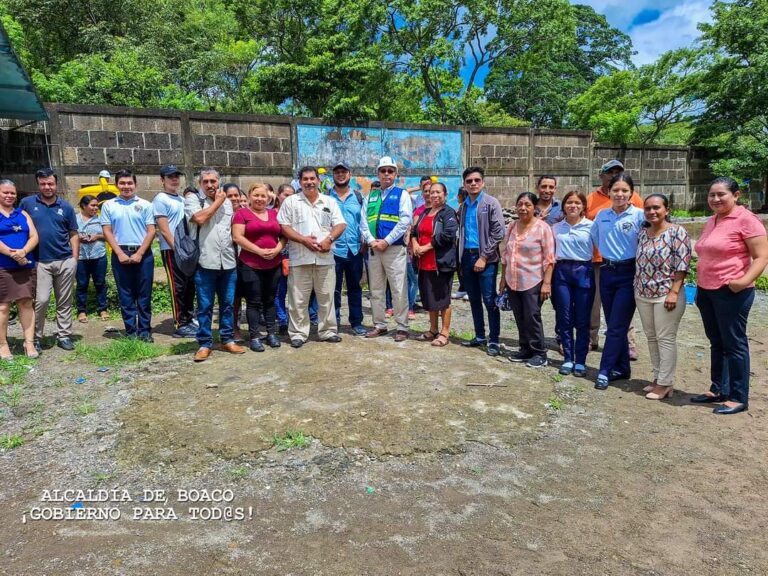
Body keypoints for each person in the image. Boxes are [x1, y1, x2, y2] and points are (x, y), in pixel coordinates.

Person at [691, 177, 768, 415]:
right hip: (707, 290)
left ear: (736, 196)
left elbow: (761, 257)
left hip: (732, 291)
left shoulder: (747, 220)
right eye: (712, 195)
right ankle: (719, 389)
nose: (715, 199)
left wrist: (742, 281)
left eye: (721, 194)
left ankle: (738, 396)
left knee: (734, 344)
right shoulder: (714, 220)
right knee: (717, 341)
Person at [278, 166, 346, 348]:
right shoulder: (291, 202)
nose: (309, 182)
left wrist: (329, 239)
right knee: (298, 299)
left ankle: (328, 331)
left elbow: (340, 224)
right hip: (300, 258)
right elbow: (284, 226)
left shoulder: (329, 201)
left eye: (312, 178)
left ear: (318, 180)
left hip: (325, 257)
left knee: (326, 297)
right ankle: (298, 334)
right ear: (300, 182)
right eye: (305, 179)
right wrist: (303, 240)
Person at [590, 173, 645, 390]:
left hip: (629, 273)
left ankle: (604, 369)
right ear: (609, 192)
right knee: (615, 321)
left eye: (624, 191)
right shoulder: (602, 215)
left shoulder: (640, 216)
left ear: (631, 193)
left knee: (615, 325)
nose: (620, 194)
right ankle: (622, 368)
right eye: (616, 190)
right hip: (607, 271)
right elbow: (595, 238)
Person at [634, 194, 692, 400]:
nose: (652, 212)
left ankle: (666, 383)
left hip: (666, 294)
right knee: (651, 337)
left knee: (666, 338)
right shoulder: (643, 233)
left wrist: (674, 292)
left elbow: (682, 265)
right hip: (642, 293)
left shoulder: (677, 232)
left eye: (656, 207)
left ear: (666, 210)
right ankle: (658, 377)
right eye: (648, 208)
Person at [185, 168, 246, 361]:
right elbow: (200, 218)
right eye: (206, 182)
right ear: (200, 184)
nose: (210, 185)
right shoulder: (193, 200)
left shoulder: (229, 203)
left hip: (228, 262)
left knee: (227, 304)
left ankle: (227, 339)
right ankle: (204, 343)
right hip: (205, 262)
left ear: (219, 182)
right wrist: (219, 201)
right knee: (204, 305)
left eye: (213, 181)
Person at [20, 168, 78, 352]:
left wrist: (75, 258)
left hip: (64, 260)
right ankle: (36, 337)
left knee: (64, 301)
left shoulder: (66, 207)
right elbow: (21, 228)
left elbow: (73, 233)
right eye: (43, 183)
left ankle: (64, 335)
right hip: (40, 261)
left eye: (50, 183)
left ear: (56, 184)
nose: (47, 187)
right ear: (38, 184)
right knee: (41, 301)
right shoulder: (27, 204)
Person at [499, 192, 555, 368]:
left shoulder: (542, 228)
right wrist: (502, 279)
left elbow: (550, 258)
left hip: (533, 280)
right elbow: (506, 254)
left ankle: (539, 352)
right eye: (520, 204)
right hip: (513, 279)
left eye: (527, 205)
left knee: (532, 316)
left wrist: (547, 283)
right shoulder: (513, 226)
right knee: (519, 315)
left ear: (534, 207)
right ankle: (525, 349)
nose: (523, 208)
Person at [100, 169, 156, 342]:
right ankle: (131, 331)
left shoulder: (146, 205)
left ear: (135, 184)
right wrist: (119, 253)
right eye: (122, 183)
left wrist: (140, 253)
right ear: (116, 185)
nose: (126, 186)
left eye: (129, 183)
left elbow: (151, 230)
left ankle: (145, 331)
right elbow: (107, 231)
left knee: (144, 294)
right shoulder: (109, 205)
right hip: (120, 253)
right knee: (126, 295)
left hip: (143, 254)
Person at [362, 157, 413, 342]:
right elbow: (363, 223)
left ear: (395, 174)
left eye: (390, 171)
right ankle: (380, 325)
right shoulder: (371, 197)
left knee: (399, 288)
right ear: (378, 174)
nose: (386, 174)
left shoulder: (402, 195)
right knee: (376, 290)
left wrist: (387, 241)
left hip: (393, 249)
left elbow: (404, 220)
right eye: (383, 171)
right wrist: (372, 240)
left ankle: (402, 327)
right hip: (375, 249)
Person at [457, 166, 506, 356]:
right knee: (474, 300)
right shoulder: (463, 207)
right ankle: (479, 336)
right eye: (469, 181)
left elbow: (498, 232)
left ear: (483, 182)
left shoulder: (490, 203)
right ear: (464, 184)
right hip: (467, 257)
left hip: (486, 258)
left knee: (489, 299)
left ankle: (494, 339)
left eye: (476, 180)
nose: (473, 184)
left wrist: (484, 257)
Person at [232, 183, 285, 352]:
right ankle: (254, 336)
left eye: (263, 196)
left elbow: (283, 236)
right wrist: (259, 251)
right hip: (251, 264)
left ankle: (271, 333)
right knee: (254, 302)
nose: (260, 199)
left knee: (270, 300)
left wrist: (277, 249)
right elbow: (237, 237)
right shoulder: (242, 214)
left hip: (274, 263)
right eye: (256, 195)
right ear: (249, 196)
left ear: (268, 198)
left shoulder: (274, 214)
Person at [551, 191, 594, 377]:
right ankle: (568, 358)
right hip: (561, 272)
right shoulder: (556, 228)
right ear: (564, 206)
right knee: (565, 317)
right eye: (569, 202)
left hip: (584, 271)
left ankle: (581, 361)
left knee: (583, 319)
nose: (573, 206)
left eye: (577, 203)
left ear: (583, 206)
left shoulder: (592, 227)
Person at [411, 182, 458, 347]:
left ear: (445, 195)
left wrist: (426, 246)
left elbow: (448, 234)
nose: (435, 195)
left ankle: (444, 333)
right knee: (429, 297)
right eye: (432, 192)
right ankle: (432, 330)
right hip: (424, 263)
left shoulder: (448, 213)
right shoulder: (424, 212)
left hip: (441, 263)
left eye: (438, 192)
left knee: (443, 299)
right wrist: (415, 243)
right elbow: (414, 231)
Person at [153, 164, 197, 339]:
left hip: (185, 251)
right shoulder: (160, 199)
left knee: (189, 286)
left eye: (176, 176)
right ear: (162, 180)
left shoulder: (180, 199)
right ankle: (180, 323)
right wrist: (177, 250)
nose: (174, 179)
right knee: (177, 288)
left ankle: (188, 317)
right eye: (170, 176)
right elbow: (164, 229)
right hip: (172, 251)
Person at [0, 179, 39, 360]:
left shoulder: (22, 213)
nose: (9, 196)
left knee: (26, 303)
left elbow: (34, 236)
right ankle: (2, 344)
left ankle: (28, 342)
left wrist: (23, 252)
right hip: (3, 266)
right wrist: (12, 253)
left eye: (12, 193)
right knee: (3, 307)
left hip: (25, 265)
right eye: (5, 192)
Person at [328, 162, 367, 336]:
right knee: (332, 289)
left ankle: (356, 322)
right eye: (337, 172)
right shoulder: (326, 198)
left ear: (350, 174)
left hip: (354, 250)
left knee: (355, 288)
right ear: (333, 175)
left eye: (344, 172)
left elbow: (364, 222)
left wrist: (364, 243)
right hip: (333, 250)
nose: (340, 174)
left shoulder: (359, 197)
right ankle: (333, 323)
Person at [75, 195, 108, 323]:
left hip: (98, 255)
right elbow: (69, 234)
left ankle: (102, 309)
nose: (96, 208)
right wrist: (79, 237)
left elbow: (109, 235)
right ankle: (82, 311)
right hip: (81, 257)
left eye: (96, 205)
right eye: (93, 205)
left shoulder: (101, 220)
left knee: (100, 283)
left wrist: (97, 236)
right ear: (83, 206)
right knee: (82, 284)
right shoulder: (75, 219)